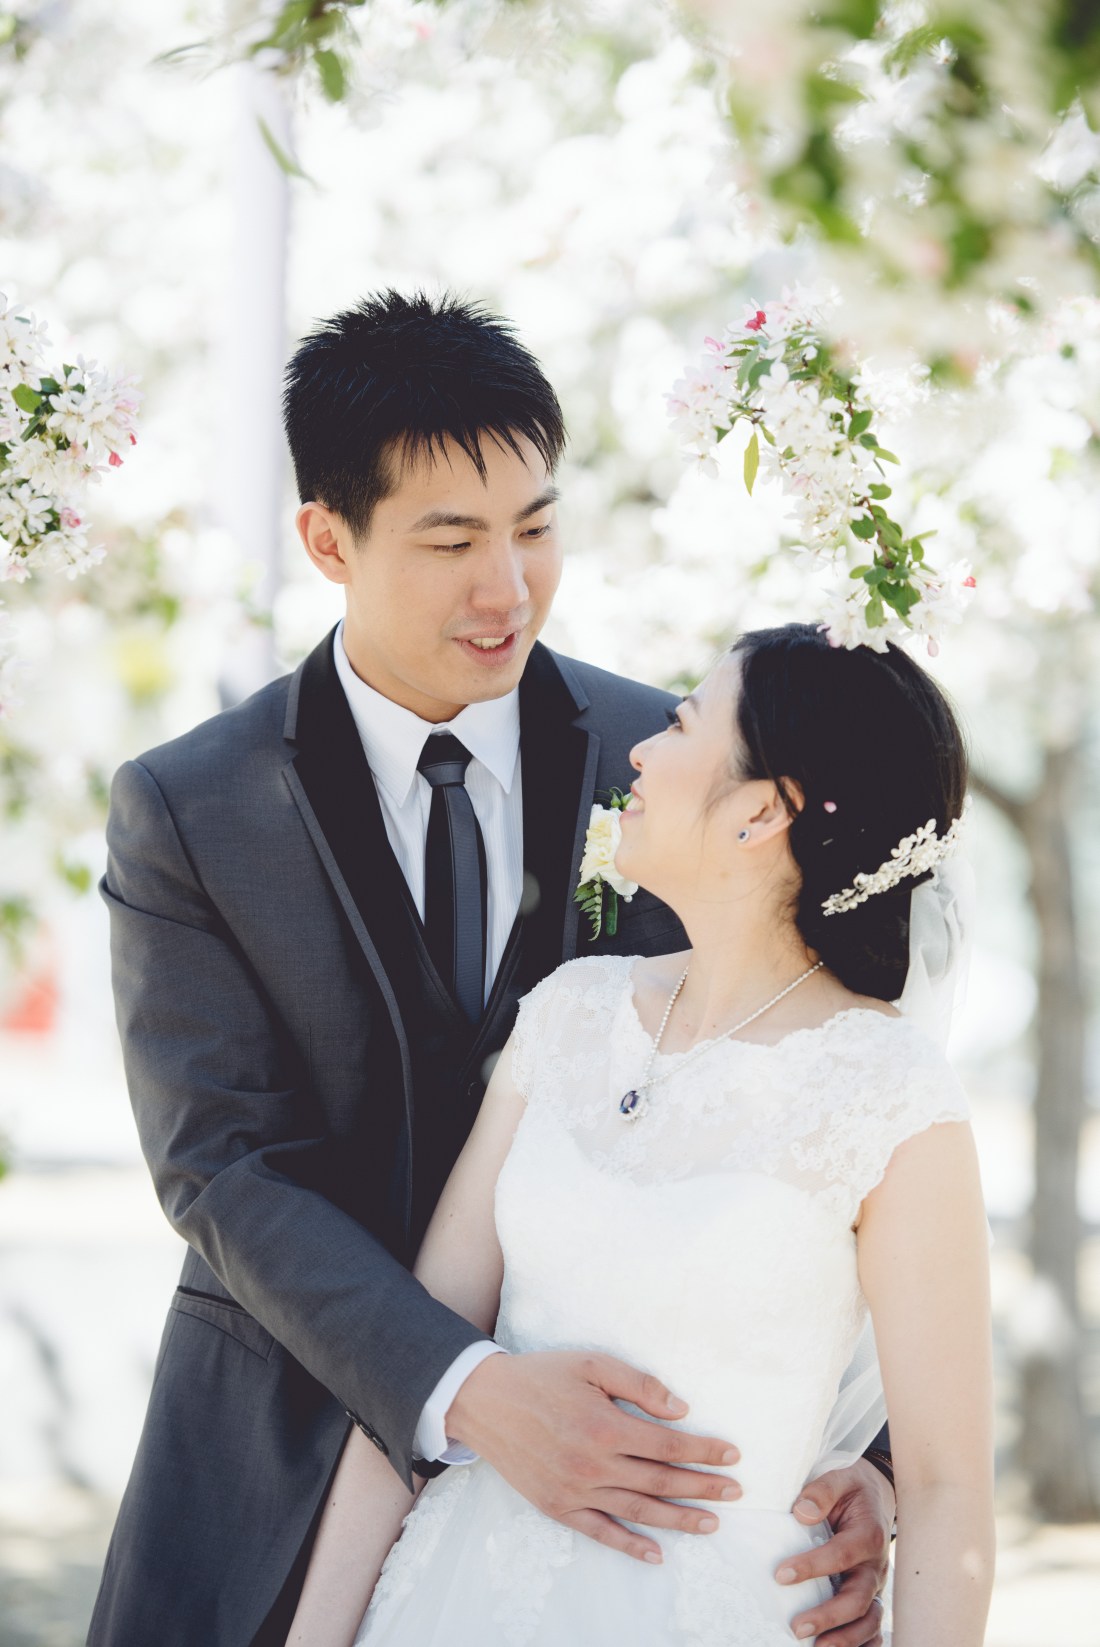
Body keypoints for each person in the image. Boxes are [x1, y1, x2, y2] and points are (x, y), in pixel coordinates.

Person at [89, 293, 897, 1647]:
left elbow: (817, 1086)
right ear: (328, 540)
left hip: (647, 1514)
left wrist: (864, 1456)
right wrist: (462, 1384)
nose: (507, 588)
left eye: (534, 527)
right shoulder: (193, 807)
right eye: (452, 540)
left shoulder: (676, 764)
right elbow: (223, 1166)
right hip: (277, 1460)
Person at [284, 624, 994, 1647]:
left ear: (762, 811)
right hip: (448, 1597)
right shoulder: (569, 1011)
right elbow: (410, 1366)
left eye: (681, 725)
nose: (641, 752)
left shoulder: (890, 1093)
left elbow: (945, 1488)